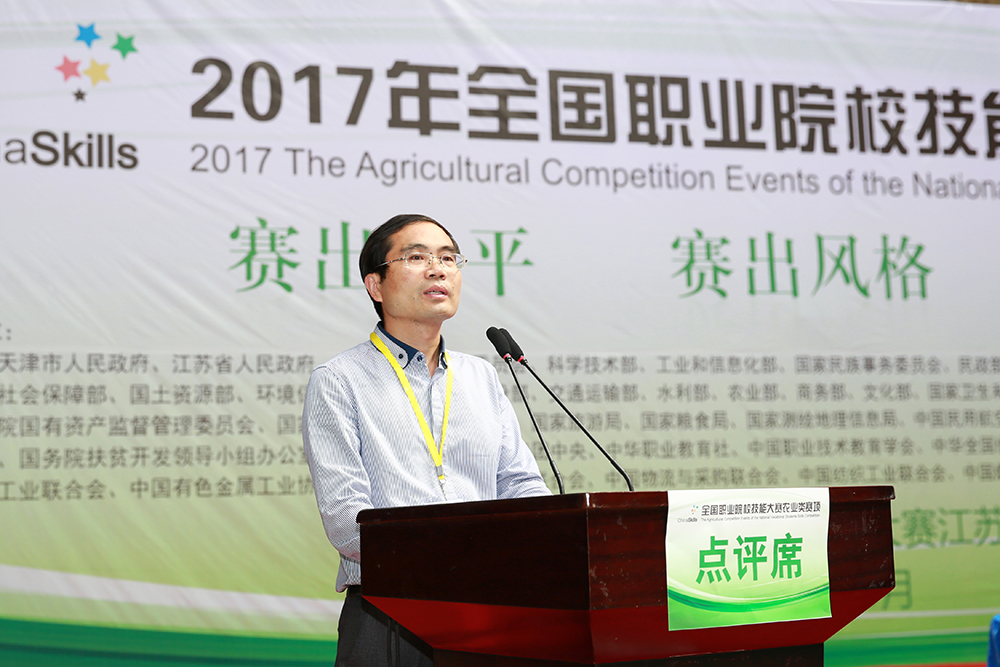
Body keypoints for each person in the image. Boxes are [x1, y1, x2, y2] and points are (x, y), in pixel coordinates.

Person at [302, 213, 551, 666]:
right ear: (375, 285)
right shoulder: (339, 379)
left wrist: (551, 532)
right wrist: (464, 553)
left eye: (449, 258)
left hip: (489, 608)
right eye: (417, 258)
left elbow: (520, 485)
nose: (438, 269)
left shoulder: (481, 375)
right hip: (389, 612)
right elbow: (346, 519)